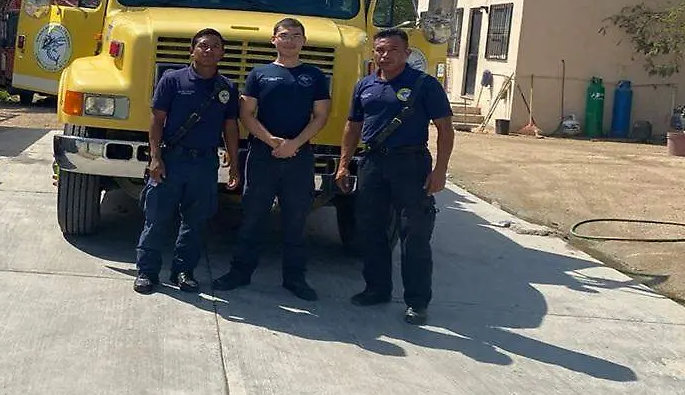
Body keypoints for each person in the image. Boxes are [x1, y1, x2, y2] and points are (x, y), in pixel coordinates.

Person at [335, 27, 454, 325]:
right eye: (379, 50)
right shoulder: (365, 85)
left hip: (411, 165)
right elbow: (353, 126)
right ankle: (376, 289)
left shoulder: (424, 85)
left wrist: (440, 171)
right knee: (371, 230)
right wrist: (344, 163)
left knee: (414, 234)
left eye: (391, 50)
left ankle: (417, 302)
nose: (384, 55)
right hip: (373, 164)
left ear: (406, 53)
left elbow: (445, 129)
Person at [212, 18, 331, 301]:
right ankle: (240, 272)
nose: (289, 41)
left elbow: (321, 116)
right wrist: (272, 141)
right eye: (284, 35)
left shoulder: (314, 76)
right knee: (253, 216)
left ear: (304, 41)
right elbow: (246, 114)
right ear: (273, 40)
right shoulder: (259, 74)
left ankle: (295, 278)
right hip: (262, 154)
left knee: (296, 219)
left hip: (299, 157)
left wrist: (294, 144)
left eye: (295, 36)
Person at [135, 28, 240, 295]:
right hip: (172, 160)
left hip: (205, 164)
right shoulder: (172, 80)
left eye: (216, 46)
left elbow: (230, 127)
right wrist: (155, 158)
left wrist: (234, 164)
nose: (209, 50)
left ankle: (183, 271)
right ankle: (147, 272)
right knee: (157, 218)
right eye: (203, 45)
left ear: (222, 53)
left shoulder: (226, 87)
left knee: (195, 221)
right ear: (192, 50)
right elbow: (157, 121)